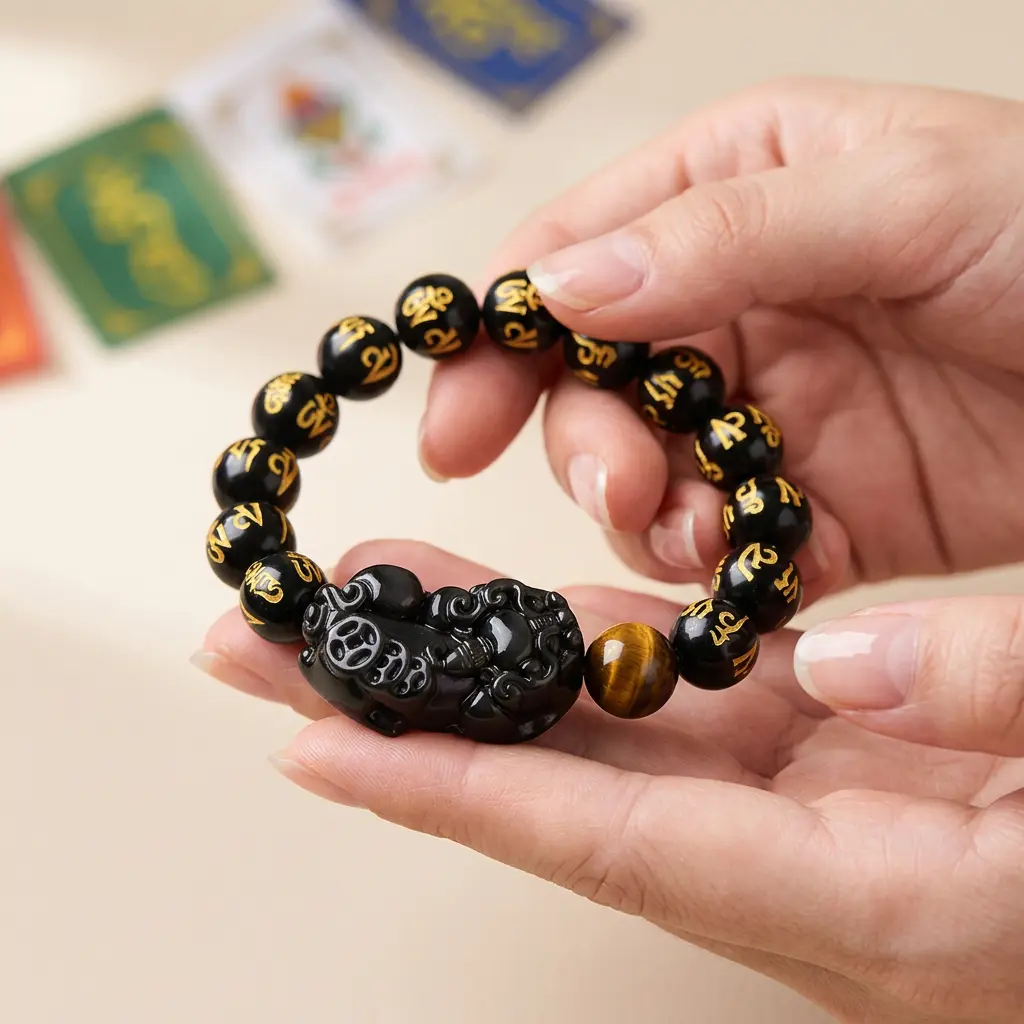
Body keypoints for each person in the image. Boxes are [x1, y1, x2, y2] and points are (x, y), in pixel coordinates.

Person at [195, 78, 1024, 1022]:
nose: (468, 605)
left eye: (480, 614)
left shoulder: (423, 645)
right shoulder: (399, 637)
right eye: (479, 613)